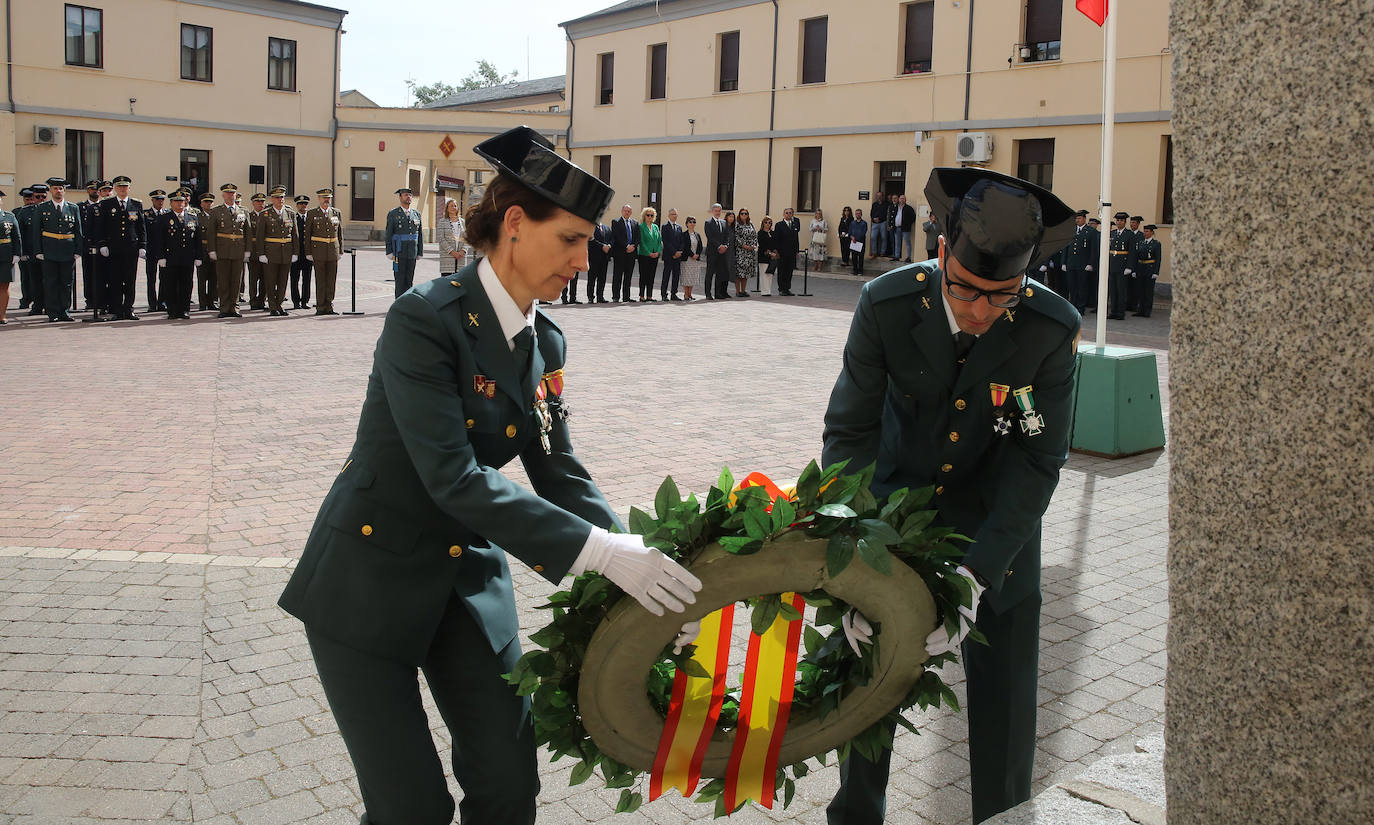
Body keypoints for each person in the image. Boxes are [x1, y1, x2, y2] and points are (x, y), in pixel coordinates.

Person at [277, 125, 701, 825]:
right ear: (514, 224)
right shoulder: (425, 320)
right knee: (410, 806)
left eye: (588, 240)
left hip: (465, 582)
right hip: (366, 582)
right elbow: (454, 477)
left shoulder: (545, 338)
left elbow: (559, 469)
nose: (585, 258)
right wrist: (601, 555)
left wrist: (639, 572)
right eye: (570, 238)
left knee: (508, 787)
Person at [822, 167, 1078, 825]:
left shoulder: (1049, 330)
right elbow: (850, 434)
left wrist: (975, 577)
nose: (981, 312)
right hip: (895, 520)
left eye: (1003, 297)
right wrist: (858, 556)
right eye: (965, 290)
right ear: (939, 253)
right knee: (868, 694)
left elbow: (1037, 459)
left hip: (998, 534)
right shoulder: (887, 304)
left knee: (1006, 711)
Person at [29, 176, 82, 322]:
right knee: (51, 282)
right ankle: (53, 313)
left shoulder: (73, 208)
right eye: (55, 188)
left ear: (64, 191)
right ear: (51, 190)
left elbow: (78, 230)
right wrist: (38, 251)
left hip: (67, 249)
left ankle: (65, 311)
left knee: (66, 282)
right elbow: (36, 231)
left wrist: (78, 250)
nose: (58, 191)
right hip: (49, 250)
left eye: (61, 188)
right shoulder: (42, 208)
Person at [95, 175, 146, 320]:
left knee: (130, 280)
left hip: (131, 248)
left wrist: (142, 245)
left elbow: (141, 227)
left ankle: (129, 308)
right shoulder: (106, 204)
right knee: (115, 280)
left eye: (125, 187)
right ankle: (117, 309)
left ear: (129, 188)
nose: (122, 189)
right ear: (115, 189)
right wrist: (103, 244)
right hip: (114, 248)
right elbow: (101, 226)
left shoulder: (136, 204)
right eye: (119, 187)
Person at [151, 190, 203, 320]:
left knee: (186, 284)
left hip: (187, 257)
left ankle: (184, 309)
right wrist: (160, 256)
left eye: (182, 201)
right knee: (170, 285)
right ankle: (172, 310)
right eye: (176, 201)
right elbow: (159, 239)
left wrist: (198, 256)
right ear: (171, 203)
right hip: (170, 257)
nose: (180, 204)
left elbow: (197, 239)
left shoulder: (192, 217)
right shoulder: (164, 218)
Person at [205, 183, 250, 318]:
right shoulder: (216, 211)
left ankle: (235, 307)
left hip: (238, 250)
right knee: (223, 280)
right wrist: (212, 250)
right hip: (222, 250)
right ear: (223, 195)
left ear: (236, 195)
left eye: (233, 193)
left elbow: (248, 232)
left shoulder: (243, 211)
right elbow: (211, 232)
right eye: (228, 193)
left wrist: (248, 250)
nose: (230, 196)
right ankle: (224, 307)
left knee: (236, 280)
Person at [255, 186, 297, 316]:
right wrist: (261, 253)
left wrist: (295, 252)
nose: (280, 200)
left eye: (282, 197)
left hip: (286, 251)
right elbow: (260, 236)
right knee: (271, 280)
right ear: (272, 199)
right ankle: (272, 306)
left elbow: (295, 235)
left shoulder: (290, 213)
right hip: (271, 252)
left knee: (283, 280)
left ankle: (279, 304)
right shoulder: (265, 214)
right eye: (278, 197)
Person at [305, 188, 344, 315]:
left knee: (331, 279)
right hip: (319, 250)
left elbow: (339, 233)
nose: (327, 200)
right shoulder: (312, 213)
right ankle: (320, 306)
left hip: (332, 249)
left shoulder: (336, 212)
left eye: (329, 198)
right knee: (320, 279)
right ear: (319, 199)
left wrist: (340, 250)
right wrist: (308, 252)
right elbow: (307, 234)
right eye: (324, 198)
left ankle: (329, 305)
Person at [385, 188, 424, 297]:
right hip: (399, 250)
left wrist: (420, 251)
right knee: (400, 280)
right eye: (406, 195)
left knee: (409, 279)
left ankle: (407, 303)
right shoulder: (393, 213)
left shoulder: (416, 214)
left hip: (412, 251)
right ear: (400, 197)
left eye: (410, 195)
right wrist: (389, 251)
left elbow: (419, 234)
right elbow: (388, 233)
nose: (408, 197)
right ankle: (399, 304)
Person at [15, 187, 42, 315]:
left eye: (33, 198)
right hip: (28, 252)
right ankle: (26, 299)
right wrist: (21, 252)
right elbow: (20, 234)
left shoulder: (42, 210)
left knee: (41, 279)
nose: (31, 201)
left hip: (41, 252)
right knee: (27, 278)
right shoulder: (19, 212)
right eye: (28, 199)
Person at [1106, 211, 1135, 320]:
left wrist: (1129, 267)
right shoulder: (1112, 233)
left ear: (1125, 222)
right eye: (1117, 220)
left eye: (1121, 220)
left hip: (1123, 265)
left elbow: (1132, 252)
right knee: (1113, 290)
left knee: (1121, 290)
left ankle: (1120, 312)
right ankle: (1113, 311)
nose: (1119, 222)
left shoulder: (1129, 234)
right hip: (1113, 264)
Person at [143, 190, 167, 312]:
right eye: (157, 199)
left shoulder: (167, 214)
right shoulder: (146, 214)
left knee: (164, 277)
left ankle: (162, 302)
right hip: (151, 250)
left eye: (162, 199)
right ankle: (152, 303)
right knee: (151, 278)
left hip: (164, 251)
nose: (160, 202)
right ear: (152, 200)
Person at [1130, 224, 1162, 317]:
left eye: (1147, 231)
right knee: (1140, 290)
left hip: (1150, 269)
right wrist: (1134, 270)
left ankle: (1147, 310)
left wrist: (1156, 272)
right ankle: (1140, 310)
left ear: (1152, 233)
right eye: (1144, 231)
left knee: (1148, 291)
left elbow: (1158, 259)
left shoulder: (1156, 244)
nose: (1145, 233)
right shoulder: (1141, 243)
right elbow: (1136, 257)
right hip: (1141, 268)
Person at [0, 189, 22, 324]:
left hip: (5, 255)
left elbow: (16, 236)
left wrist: (16, 254)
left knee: (3, 286)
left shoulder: (9, 216)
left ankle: (1, 315)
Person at [195, 193, 219, 311]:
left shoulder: (217, 215)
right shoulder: (197, 217)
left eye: (210, 202)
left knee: (214, 278)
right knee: (202, 279)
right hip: (202, 250)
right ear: (201, 204)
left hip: (215, 250)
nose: (208, 204)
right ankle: (202, 303)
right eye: (206, 202)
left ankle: (213, 301)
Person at [609, 204, 637, 303]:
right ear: (622, 211)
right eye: (625, 211)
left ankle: (626, 297)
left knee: (628, 276)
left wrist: (633, 246)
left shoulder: (635, 223)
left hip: (631, 254)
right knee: (618, 276)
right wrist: (626, 246)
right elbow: (616, 237)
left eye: (629, 211)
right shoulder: (616, 222)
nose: (627, 212)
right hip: (620, 253)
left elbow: (637, 237)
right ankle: (615, 296)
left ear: (631, 212)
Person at [290, 194, 314, 310]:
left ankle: (305, 301)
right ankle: (296, 301)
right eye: (301, 204)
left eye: (305, 204)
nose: (303, 206)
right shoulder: (293, 217)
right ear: (297, 205)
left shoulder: (311, 218)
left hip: (307, 253)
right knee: (294, 279)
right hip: (296, 253)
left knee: (307, 278)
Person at [245, 193, 268, 309]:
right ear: (253, 203)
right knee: (253, 278)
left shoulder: (268, 215)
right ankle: (253, 301)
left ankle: (262, 300)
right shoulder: (248, 216)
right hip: (254, 251)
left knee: (265, 278)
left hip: (266, 251)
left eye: (262, 202)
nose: (260, 204)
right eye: (258, 202)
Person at [703, 203, 730, 300]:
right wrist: (719, 246)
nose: (718, 213)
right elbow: (710, 237)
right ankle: (708, 293)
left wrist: (726, 246)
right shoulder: (708, 223)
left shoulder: (724, 222)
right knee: (709, 273)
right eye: (716, 211)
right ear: (712, 211)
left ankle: (717, 293)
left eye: (719, 211)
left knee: (720, 273)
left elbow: (727, 236)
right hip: (712, 252)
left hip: (722, 253)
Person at [437, 197, 468, 280]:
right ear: (447, 208)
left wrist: (463, 251)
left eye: (455, 206)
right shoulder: (442, 222)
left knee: (459, 283)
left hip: (461, 258)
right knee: (447, 283)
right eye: (451, 206)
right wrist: (452, 252)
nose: (454, 208)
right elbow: (441, 239)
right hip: (447, 257)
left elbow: (467, 238)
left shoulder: (463, 222)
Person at [636, 206, 662, 301]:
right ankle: (642, 296)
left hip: (654, 255)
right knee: (643, 276)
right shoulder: (641, 227)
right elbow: (641, 241)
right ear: (644, 216)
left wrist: (658, 251)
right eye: (648, 215)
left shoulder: (655, 227)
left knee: (651, 276)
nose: (650, 217)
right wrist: (649, 252)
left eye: (652, 215)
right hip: (644, 255)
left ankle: (649, 296)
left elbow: (659, 240)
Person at [660, 208, 686, 301]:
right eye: (672, 214)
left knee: (676, 275)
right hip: (669, 255)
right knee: (666, 275)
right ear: (668, 215)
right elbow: (666, 241)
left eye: (675, 214)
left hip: (678, 256)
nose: (674, 216)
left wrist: (680, 251)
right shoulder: (665, 226)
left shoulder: (679, 227)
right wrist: (674, 252)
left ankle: (674, 294)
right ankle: (664, 294)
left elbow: (682, 241)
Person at [774, 207, 801, 295]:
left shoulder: (794, 224)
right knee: (782, 271)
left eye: (790, 213)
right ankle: (781, 289)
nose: (788, 214)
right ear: (783, 214)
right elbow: (776, 239)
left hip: (791, 252)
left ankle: (787, 288)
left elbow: (796, 238)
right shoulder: (779, 225)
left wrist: (797, 250)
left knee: (789, 271)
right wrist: (777, 251)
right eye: (786, 213)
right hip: (782, 252)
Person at [679, 216, 704, 301]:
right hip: (687, 259)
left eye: (694, 222)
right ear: (686, 224)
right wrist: (692, 255)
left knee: (693, 276)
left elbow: (700, 246)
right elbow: (684, 247)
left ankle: (690, 294)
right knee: (686, 277)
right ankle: (686, 294)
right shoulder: (684, 234)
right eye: (690, 222)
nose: (692, 224)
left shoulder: (697, 235)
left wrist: (697, 254)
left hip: (695, 259)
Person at [586, 220, 611, 303]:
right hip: (594, 257)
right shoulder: (590, 227)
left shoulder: (607, 228)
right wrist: (602, 246)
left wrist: (609, 246)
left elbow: (611, 239)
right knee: (592, 278)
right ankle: (590, 297)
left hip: (604, 257)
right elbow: (591, 240)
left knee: (602, 278)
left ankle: (600, 297)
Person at [733, 208, 756, 297]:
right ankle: (737, 291)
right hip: (741, 252)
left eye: (746, 213)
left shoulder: (751, 224)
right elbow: (736, 236)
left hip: (749, 252)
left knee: (746, 273)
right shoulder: (737, 224)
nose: (744, 215)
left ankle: (743, 290)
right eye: (742, 213)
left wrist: (753, 245)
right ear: (739, 214)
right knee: (739, 272)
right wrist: (743, 245)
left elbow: (755, 236)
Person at [894, 195, 917, 262]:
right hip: (897, 228)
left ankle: (908, 257)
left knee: (907, 243)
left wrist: (908, 224)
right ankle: (897, 256)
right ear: (899, 199)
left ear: (905, 200)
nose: (902, 200)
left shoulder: (909, 208)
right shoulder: (896, 207)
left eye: (903, 199)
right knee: (897, 243)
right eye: (901, 199)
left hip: (905, 229)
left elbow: (913, 218)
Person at [757, 215, 775, 296]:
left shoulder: (772, 233)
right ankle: (764, 291)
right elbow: (762, 245)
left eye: (770, 222)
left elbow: (775, 243)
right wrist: (769, 252)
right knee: (764, 274)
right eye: (766, 222)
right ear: (763, 223)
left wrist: (774, 252)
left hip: (772, 256)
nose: (768, 224)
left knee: (770, 274)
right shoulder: (760, 233)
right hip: (763, 255)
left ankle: (768, 290)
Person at [848, 208, 868, 276]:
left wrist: (856, 238)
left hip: (861, 242)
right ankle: (855, 270)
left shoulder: (864, 223)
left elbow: (863, 232)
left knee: (861, 257)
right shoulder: (852, 223)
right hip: (853, 242)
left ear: (861, 214)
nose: (857, 215)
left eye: (859, 213)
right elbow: (850, 232)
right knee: (854, 257)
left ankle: (860, 271)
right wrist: (852, 237)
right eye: (856, 213)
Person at [868, 195, 888, 261]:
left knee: (884, 237)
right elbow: (871, 213)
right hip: (874, 223)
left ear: (882, 197)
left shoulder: (886, 204)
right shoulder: (874, 204)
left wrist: (880, 219)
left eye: (880, 196)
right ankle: (874, 253)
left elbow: (886, 214)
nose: (879, 197)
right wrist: (874, 218)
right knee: (873, 237)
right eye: (878, 196)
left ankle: (882, 252)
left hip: (883, 222)